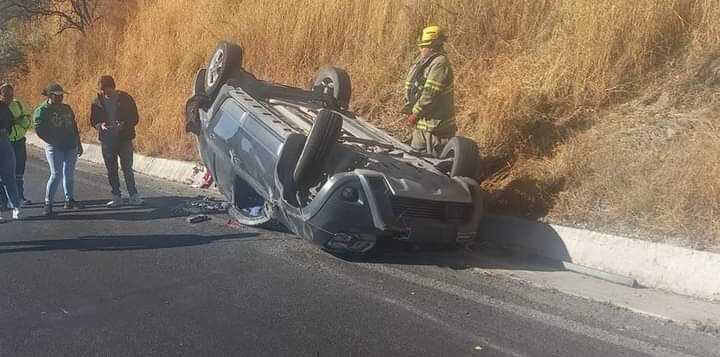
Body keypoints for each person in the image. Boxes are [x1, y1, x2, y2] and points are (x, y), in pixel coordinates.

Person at [402, 25, 457, 156]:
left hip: (437, 130)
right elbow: (413, 83)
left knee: (434, 164)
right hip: (423, 126)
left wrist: (415, 113)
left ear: (432, 46)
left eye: (423, 46)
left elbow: (430, 94)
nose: (421, 49)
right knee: (413, 158)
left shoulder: (440, 63)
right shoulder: (424, 61)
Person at [90, 75, 143, 207]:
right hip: (107, 141)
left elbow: (135, 118)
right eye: (103, 90)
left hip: (124, 139)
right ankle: (116, 196)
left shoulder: (126, 98)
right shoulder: (97, 101)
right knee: (111, 169)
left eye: (107, 89)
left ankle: (134, 195)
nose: (105, 92)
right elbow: (93, 120)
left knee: (127, 168)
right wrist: (100, 126)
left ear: (113, 87)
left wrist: (123, 125)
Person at [34, 82, 84, 216]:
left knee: (69, 174)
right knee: (56, 174)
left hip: (70, 144)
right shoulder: (42, 110)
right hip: (54, 147)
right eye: (58, 95)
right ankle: (48, 203)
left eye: (62, 95)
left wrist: (78, 143)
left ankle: (69, 200)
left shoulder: (67, 108)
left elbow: (73, 126)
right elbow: (39, 129)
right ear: (50, 95)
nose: (61, 97)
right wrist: (52, 141)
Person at [0, 83, 32, 209]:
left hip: (18, 141)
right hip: (5, 141)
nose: (9, 97)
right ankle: (3, 201)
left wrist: (21, 121)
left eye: (11, 94)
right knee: (4, 174)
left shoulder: (18, 104)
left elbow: (27, 119)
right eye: (6, 95)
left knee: (19, 171)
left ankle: (19, 196)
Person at [0, 94, 23, 221]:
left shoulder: (3, 106)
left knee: (9, 177)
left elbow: (10, 122)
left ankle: (16, 206)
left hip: (4, 141)